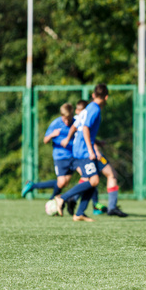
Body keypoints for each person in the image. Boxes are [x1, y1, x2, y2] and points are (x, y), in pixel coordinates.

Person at [46, 84, 108, 222]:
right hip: (85, 150)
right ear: (106, 97)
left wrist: (69, 139)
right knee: (94, 180)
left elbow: (75, 125)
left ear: (93, 95)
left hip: (79, 148)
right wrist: (91, 150)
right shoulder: (95, 109)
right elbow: (85, 128)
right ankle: (62, 198)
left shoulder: (88, 108)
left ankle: (79, 213)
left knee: (92, 180)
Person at [21, 103, 79, 213]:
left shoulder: (75, 122)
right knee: (61, 182)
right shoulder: (56, 123)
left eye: (69, 119)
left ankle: (33, 186)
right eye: (65, 119)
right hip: (60, 156)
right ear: (61, 116)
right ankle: (51, 201)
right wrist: (53, 134)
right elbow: (45, 140)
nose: (67, 122)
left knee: (64, 183)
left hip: (73, 156)